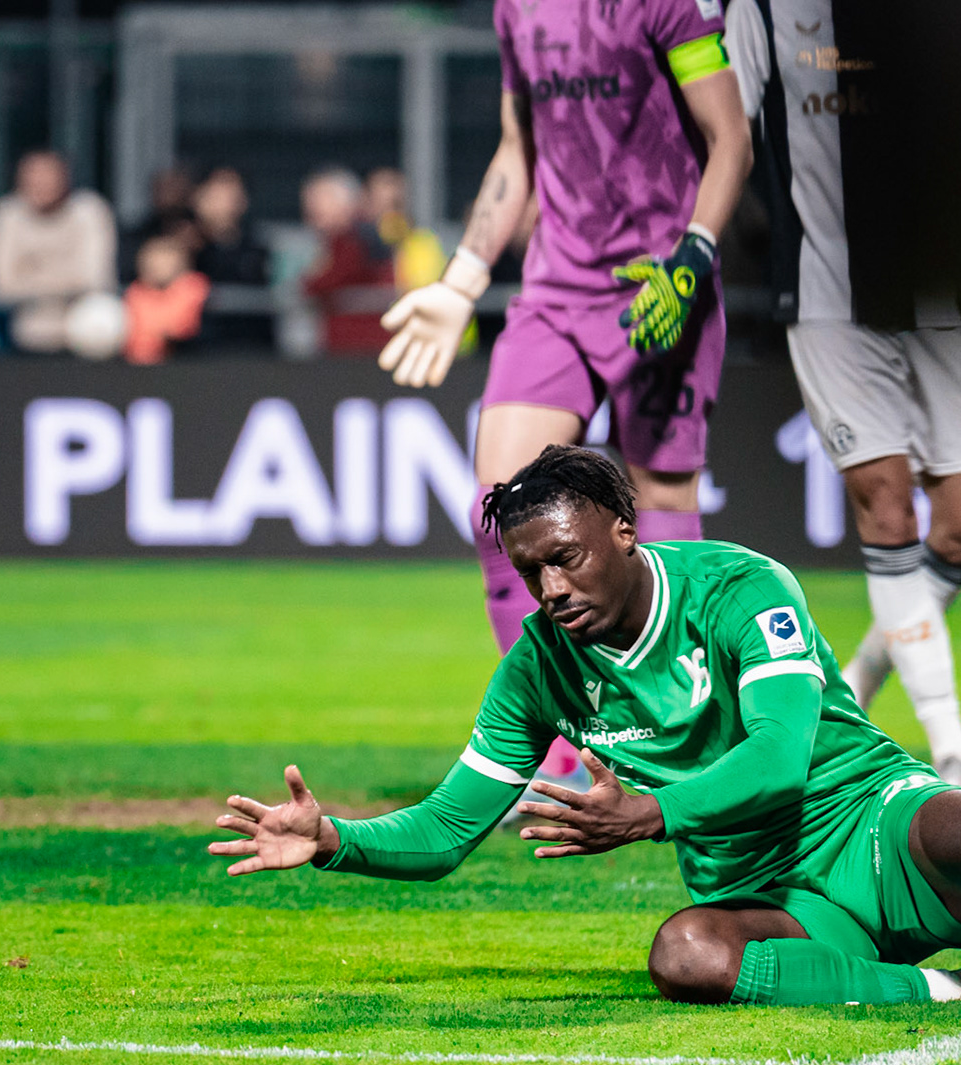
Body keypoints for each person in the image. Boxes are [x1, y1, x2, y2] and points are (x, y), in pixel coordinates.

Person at [209, 446, 961, 1021]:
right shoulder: (536, 672)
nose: (547, 587)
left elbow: (776, 753)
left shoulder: (736, 587)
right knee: (683, 955)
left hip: (871, 822)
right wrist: (340, 841)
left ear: (623, 527)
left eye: (564, 557)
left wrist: (653, 809)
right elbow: (452, 824)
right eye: (527, 571)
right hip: (773, 891)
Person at [375, 0, 752, 797]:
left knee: (660, 509)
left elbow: (731, 140)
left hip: (658, 286)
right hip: (555, 290)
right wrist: (463, 278)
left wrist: (694, 255)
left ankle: (679, 744)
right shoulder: (517, 7)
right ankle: (562, 758)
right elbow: (520, 148)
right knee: (501, 508)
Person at [724, 0, 961, 789]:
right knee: (886, 508)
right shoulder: (763, 7)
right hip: (826, 298)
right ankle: (954, 751)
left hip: (934, 297)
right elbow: (721, 125)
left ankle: (850, 686)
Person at [0, 150, 118, 353]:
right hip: (18, 338)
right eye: (34, 179)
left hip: (84, 340)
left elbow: (96, 280)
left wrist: (32, 278)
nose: (42, 185)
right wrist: (65, 283)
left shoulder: (90, 211)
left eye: (49, 178)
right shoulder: (6, 214)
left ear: (66, 179)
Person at [299, 167, 396, 355]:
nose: (311, 209)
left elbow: (327, 281)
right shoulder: (342, 240)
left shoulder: (356, 238)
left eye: (320, 200)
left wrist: (310, 280)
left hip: (362, 347)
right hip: (348, 346)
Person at [190, 167, 272, 350]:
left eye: (230, 195)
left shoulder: (258, 251)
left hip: (250, 350)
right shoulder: (185, 246)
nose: (223, 203)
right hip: (195, 353)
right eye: (215, 195)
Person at [123, 235, 210, 364]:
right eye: (153, 261)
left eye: (166, 261)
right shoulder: (134, 293)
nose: (159, 267)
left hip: (185, 364)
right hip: (138, 367)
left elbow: (183, 329)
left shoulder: (193, 288)